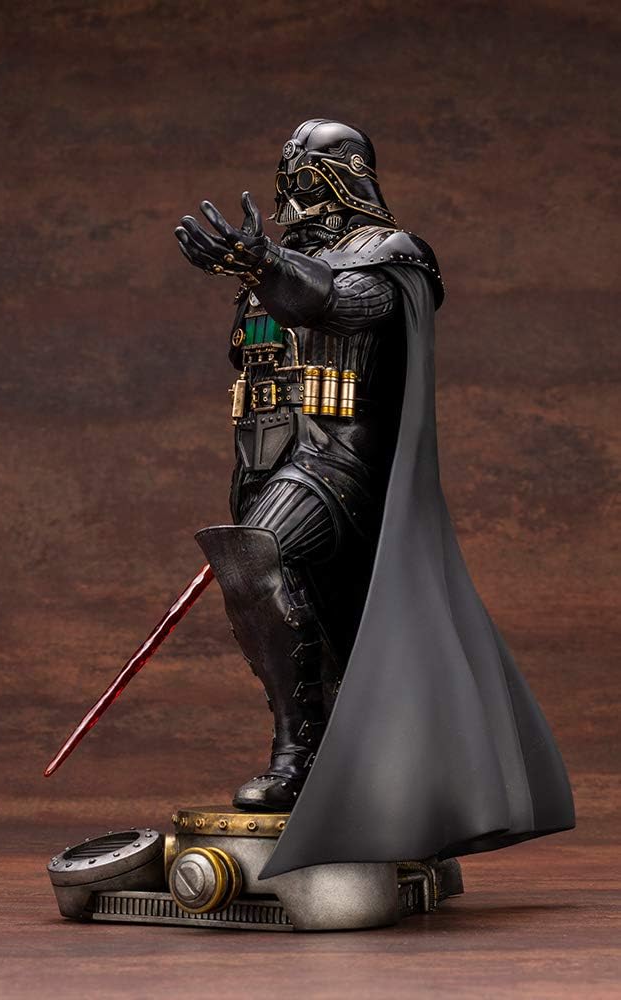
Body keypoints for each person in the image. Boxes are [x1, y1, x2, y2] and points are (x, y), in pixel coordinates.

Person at [175, 120, 574, 877]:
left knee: (251, 557)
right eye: (288, 180)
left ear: (342, 178)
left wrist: (262, 262)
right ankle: (333, 764)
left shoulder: (389, 255)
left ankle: (294, 756)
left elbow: (334, 304)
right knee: (314, 620)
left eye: (306, 179)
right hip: (264, 462)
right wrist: (255, 267)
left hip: (338, 466)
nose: (293, 198)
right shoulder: (274, 269)